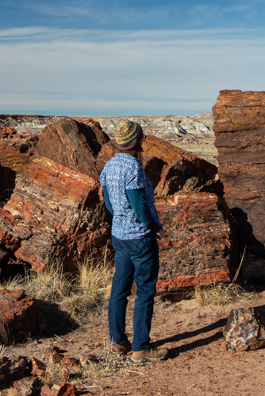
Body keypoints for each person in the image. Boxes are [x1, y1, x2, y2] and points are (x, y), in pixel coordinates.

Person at [99, 119, 167, 363]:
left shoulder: (110, 166)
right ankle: (140, 348)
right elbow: (139, 206)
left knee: (119, 289)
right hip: (139, 238)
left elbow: (108, 203)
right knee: (145, 290)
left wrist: (121, 215)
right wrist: (155, 227)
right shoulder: (134, 168)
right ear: (137, 141)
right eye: (143, 137)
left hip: (119, 235)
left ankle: (118, 341)